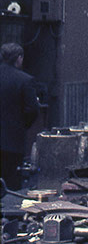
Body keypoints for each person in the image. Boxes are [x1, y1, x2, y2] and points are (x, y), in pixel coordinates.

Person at [0, 43, 39, 190]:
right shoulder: (25, 80)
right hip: (12, 141)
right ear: (19, 58)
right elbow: (32, 109)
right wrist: (22, 125)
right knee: (11, 185)